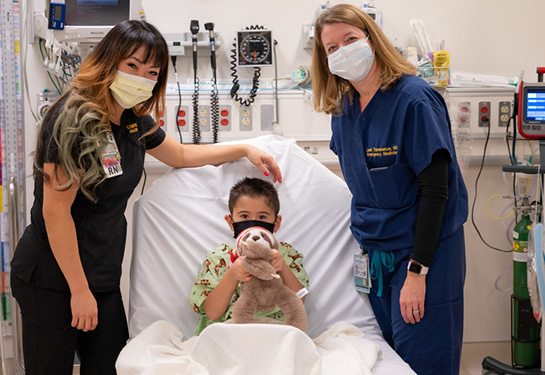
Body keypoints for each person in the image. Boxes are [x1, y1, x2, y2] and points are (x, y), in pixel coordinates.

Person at [10, 20, 281, 375]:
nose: (141, 76)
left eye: (151, 71)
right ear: (109, 61)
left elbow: (181, 155)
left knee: (112, 366)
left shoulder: (134, 120)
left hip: (101, 277)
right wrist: (78, 291)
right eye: (132, 65)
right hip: (52, 278)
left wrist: (245, 148)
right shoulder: (71, 120)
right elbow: (55, 212)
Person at [311, 4, 468, 375]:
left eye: (350, 39)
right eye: (331, 48)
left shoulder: (414, 99)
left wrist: (417, 272)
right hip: (377, 256)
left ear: (372, 39)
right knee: (391, 361)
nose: (342, 51)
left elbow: (436, 191)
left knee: (423, 361)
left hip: (424, 255)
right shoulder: (344, 108)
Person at [190, 177, 309, 335]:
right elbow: (212, 312)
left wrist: (283, 268)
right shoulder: (218, 258)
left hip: (275, 330)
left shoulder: (286, 255)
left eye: (262, 217)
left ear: (277, 222)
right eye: (244, 216)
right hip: (231, 329)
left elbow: (299, 302)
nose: (253, 223)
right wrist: (232, 274)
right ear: (231, 222)